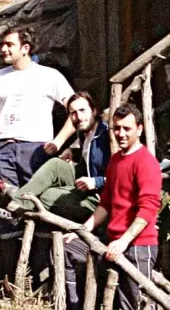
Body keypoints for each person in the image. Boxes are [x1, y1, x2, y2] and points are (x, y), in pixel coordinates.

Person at [0, 27, 73, 262]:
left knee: (37, 206)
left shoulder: (49, 76)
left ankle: (37, 275)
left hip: (36, 150)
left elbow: (76, 109)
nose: (3, 49)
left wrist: (58, 142)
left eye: (9, 44)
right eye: (2, 45)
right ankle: (10, 276)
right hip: (4, 148)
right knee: (6, 210)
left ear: (25, 48)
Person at [64, 101, 162, 310]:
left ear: (139, 129)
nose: (121, 134)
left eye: (127, 128)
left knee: (139, 308)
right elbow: (106, 204)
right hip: (110, 240)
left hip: (138, 246)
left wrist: (124, 241)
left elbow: (148, 208)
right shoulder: (116, 160)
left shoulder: (146, 162)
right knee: (69, 249)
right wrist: (83, 230)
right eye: (117, 128)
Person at [10, 90, 109, 223]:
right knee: (56, 164)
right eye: (73, 113)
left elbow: (124, 177)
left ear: (94, 111)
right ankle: (16, 205)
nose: (78, 117)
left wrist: (97, 182)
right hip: (86, 184)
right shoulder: (84, 133)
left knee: (48, 195)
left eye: (82, 110)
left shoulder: (107, 136)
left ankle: (18, 212)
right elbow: (91, 156)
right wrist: (74, 152)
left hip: (102, 200)